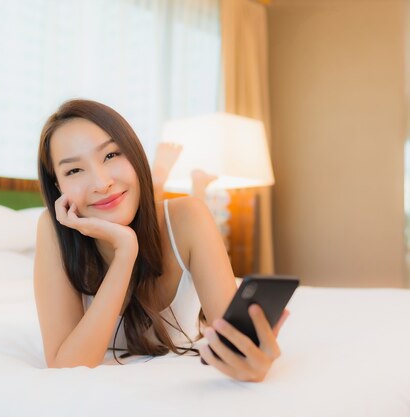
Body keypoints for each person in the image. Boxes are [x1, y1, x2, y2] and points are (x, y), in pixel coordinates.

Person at [33, 99, 289, 382]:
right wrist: (125, 252)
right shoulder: (53, 229)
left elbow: (233, 348)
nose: (101, 182)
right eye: (74, 170)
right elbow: (66, 369)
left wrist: (251, 361)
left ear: (134, 154)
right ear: (59, 186)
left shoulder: (190, 217)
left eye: (111, 155)